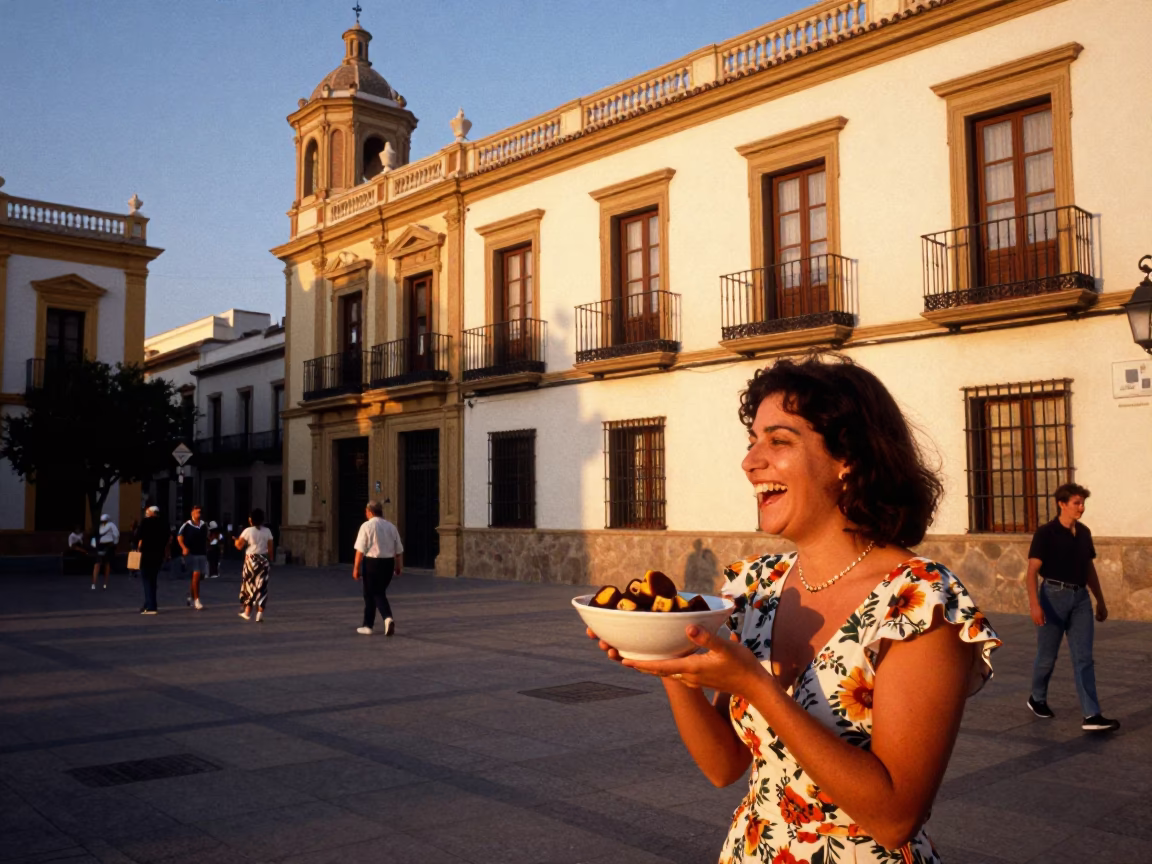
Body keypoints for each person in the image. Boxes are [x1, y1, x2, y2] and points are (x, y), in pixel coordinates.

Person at [588, 355, 1001, 863]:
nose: (750, 461)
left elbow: (896, 818)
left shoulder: (919, 601)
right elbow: (724, 765)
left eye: (779, 441)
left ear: (847, 458)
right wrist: (668, 651)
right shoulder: (755, 586)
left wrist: (755, 685)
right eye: (752, 441)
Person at [1025, 483, 1119, 732]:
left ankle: (1092, 715)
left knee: (1084, 658)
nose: (1081, 507)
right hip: (1052, 598)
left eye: (1083, 503)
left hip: (1080, 600)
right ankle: (1037, 697)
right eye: (1077, 503)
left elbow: (1089, 568)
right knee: (1047, 657)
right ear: (1062, 504)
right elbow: (1032, 571)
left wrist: (1100, 599)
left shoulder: (1085, 533)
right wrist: (1035, 604)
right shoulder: (1046, 533)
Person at [352, 500, 403, 636]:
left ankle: (386, 618)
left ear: (369, 511)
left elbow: (360, 550)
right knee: (373, 592)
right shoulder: (391, 527)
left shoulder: (367, 526)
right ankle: (368, 624)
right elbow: (398, 551)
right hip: (388, 563)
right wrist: (398, 567)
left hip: (372, 563)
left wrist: (356, 568)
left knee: (374, 593)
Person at [236, 508, 274, 622]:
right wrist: (270, 559)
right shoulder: (267, 531)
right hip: (263, 559)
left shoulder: (248, 531)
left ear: (251, 519)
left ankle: (247, 612)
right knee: (262, 587)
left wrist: (235, 541)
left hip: (251, 560)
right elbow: (270, 548)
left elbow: (239, 546)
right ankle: (260, 613)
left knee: (249, 585)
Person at [135, 505, 171, 614]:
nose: (146, 513)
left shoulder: (145, 522)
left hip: (146, 555)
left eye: (147, 512)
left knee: (147, 580)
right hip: (158, 555)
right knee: (153, 580)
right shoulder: (164, 523)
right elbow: (167, 538)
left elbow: (137, 536)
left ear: (152, 513)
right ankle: (149, 603)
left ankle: (151, 606)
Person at [177, 505, 209, 609]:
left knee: (198, 577)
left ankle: (190, 596)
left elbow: (208, 537)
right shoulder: (187, 525)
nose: (198, 514)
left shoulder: (204, 525)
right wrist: (183, 547)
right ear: (192, 513)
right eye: (196, 512)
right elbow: (179, 537)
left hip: (202, 553)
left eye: (200, 512)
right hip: (191, 554)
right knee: (196, 574)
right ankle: (197, 600)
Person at [91, 513, 119, 590]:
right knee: (99, 564)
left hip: (107, 545)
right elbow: (116, 535)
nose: (103, 522)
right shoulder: (103, 526)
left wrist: (114, 543)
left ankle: (103, 583)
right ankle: (96, 583)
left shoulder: (110, 525)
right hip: (103, 545)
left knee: (104, 564)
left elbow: (116, 534)